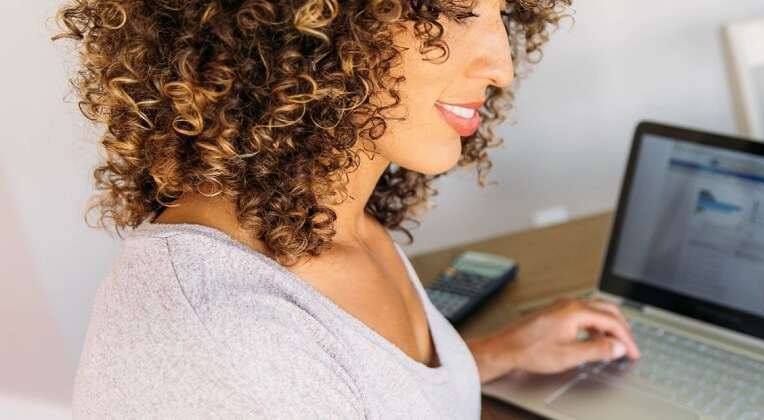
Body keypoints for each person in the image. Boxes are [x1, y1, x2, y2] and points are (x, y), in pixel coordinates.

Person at [55, 0, 640, 417]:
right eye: (454, 10)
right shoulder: (237, 340)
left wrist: (496, 355)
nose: (502, 66)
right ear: (304, 22)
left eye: (503, 12)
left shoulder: (330, 219)